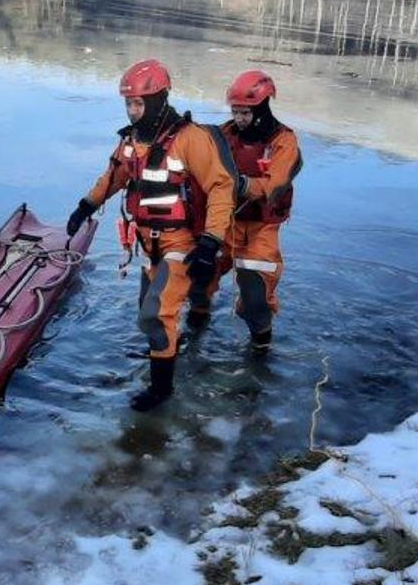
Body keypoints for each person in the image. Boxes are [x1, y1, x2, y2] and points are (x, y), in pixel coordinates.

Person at [66, 59, 237, 411]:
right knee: (149, 313)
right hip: (149, 244)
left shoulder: (190, 139)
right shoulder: (131, 141)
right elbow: (114, 177)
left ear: (158, 99)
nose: (131, 111)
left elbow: (222, 187)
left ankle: (161, 390)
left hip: (181, 242)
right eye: (128, 103)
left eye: (138, 103)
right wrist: (86, 205)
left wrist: (210, 242)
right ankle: (168, 348)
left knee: (155, 314)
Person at [196, 70, 302, 356]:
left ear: (262, 108)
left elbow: (274, 184)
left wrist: (239, 183)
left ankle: (260, 352)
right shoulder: (223, 134)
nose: (239, 118)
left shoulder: (284, 142)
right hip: (223, 222)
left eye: (245, 113)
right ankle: (195, 332)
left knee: (256, 299)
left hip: (259, 231)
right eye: (235, 112)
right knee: (199, 280)